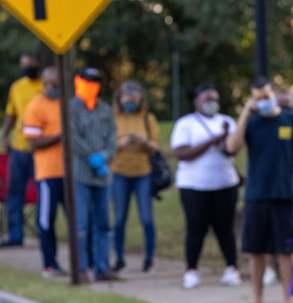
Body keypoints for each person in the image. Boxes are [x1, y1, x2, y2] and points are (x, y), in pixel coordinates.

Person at [226, 77, 293, 303]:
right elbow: (232, 147)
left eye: (266, 96)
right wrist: (245, 111)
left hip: (284, 194)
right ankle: (257, 301)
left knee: (285, 251)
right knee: (256, 251)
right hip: (256, 195)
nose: (262, 101)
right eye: (257, 98)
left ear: (274, 94)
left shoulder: (290, 119)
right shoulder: (252, 122)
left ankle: (289, 299)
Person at [170, 84, 242, 289]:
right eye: (206, 99)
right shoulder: (186, 124)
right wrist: (213, 140)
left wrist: (224, 142)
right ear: (196, 101)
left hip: (225, 184)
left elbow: (232, 150)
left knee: (225, 228)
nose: (211, 103)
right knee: (195, 228)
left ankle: (231, 267)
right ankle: (191, 270)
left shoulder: (227, 122)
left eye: (214, 99)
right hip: (194, 185)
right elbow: (182, 153)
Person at [70, 67, 117, 282]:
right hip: (81, 173)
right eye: (88, 81)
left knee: (103, 223)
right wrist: (90, 157)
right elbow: (72, 138)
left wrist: (104, 157)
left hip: (102, 176)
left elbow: (112, 139)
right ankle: (81, 268)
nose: (92, 86)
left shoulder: (105, 110)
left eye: (96, 82)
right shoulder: (71, 109)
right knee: (81, 223)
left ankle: (102, 266)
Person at [111, 80, 159, 273]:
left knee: (146, 218)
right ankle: (119, 257)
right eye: (126, 97)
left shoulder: (147, 118)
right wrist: (123, 143)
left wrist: (143, 142)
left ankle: (149, 257)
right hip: (119, 173)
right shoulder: (113, 119)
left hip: (143, 174)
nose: (130, 101)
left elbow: (156, 146)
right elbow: (106, 145)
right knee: (119, 218)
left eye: (134, 97)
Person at [22, 66, 66, 278]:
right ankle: (49, 264)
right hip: (48, 173)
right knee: (46, 220)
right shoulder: (35, 106)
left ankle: (85, 263)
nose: (53, 88)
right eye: (50, 84)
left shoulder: (67, 104)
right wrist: (59, 136)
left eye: (57, 84)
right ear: (44, 83)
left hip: (71, 173)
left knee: (80, 220)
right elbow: (33, 142)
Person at [0, 52, 42, 247]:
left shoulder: (45, 87)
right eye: (24, 64)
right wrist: (5, 136)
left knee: (43, 192)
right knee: (14, 192)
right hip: (19, 147)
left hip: (42, 149)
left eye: (30, 64)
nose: (27, 67)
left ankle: (44, 232)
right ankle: (15, 235)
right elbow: (11, 114)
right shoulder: (17, 87)